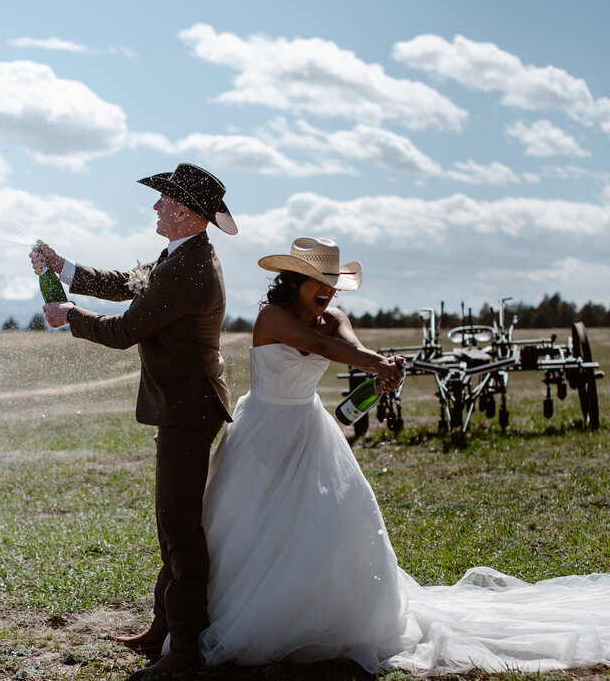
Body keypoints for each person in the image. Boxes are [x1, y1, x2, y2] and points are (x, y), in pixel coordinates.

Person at [197, 237, 610, 675]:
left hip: (308, 428)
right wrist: (377, 365)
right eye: (319, 282)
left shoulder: (334, 317)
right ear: (296, 279)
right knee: (251, 522)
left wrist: (383, 366)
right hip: (263, 428)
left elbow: (351, 346)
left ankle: (322, 615)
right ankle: (239, 609)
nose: (328, 291)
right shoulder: (272, 317)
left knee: (332, 522)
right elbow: (326, 350)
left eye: (333, 284)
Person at [30, 163, 236, 677]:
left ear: (186, 212)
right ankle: (163, 627)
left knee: (180, 525)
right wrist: (64, 265)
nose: (155, 207)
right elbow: (128, 283)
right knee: (172, 521)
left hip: (189, 409)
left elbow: (125, 330)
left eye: (163, 199)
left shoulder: (190, 269)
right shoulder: (181, 256)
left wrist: (69, 316)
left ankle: (185, 649)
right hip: (183, 405)